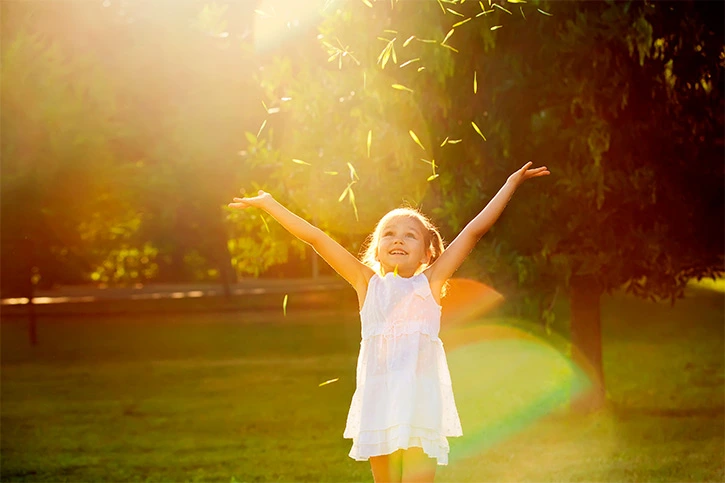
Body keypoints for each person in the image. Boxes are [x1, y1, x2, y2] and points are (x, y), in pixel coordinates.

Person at [228, 161, 550, 483]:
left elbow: (474, 231)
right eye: (389, 235)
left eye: (410, 236)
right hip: (379, 400)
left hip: (420, 401)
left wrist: (510, 183)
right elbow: (316, 238)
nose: (398, 240)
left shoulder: (431, 283)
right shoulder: (366, 283)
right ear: (377, 250)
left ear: (427, 253)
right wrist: (270, 205)